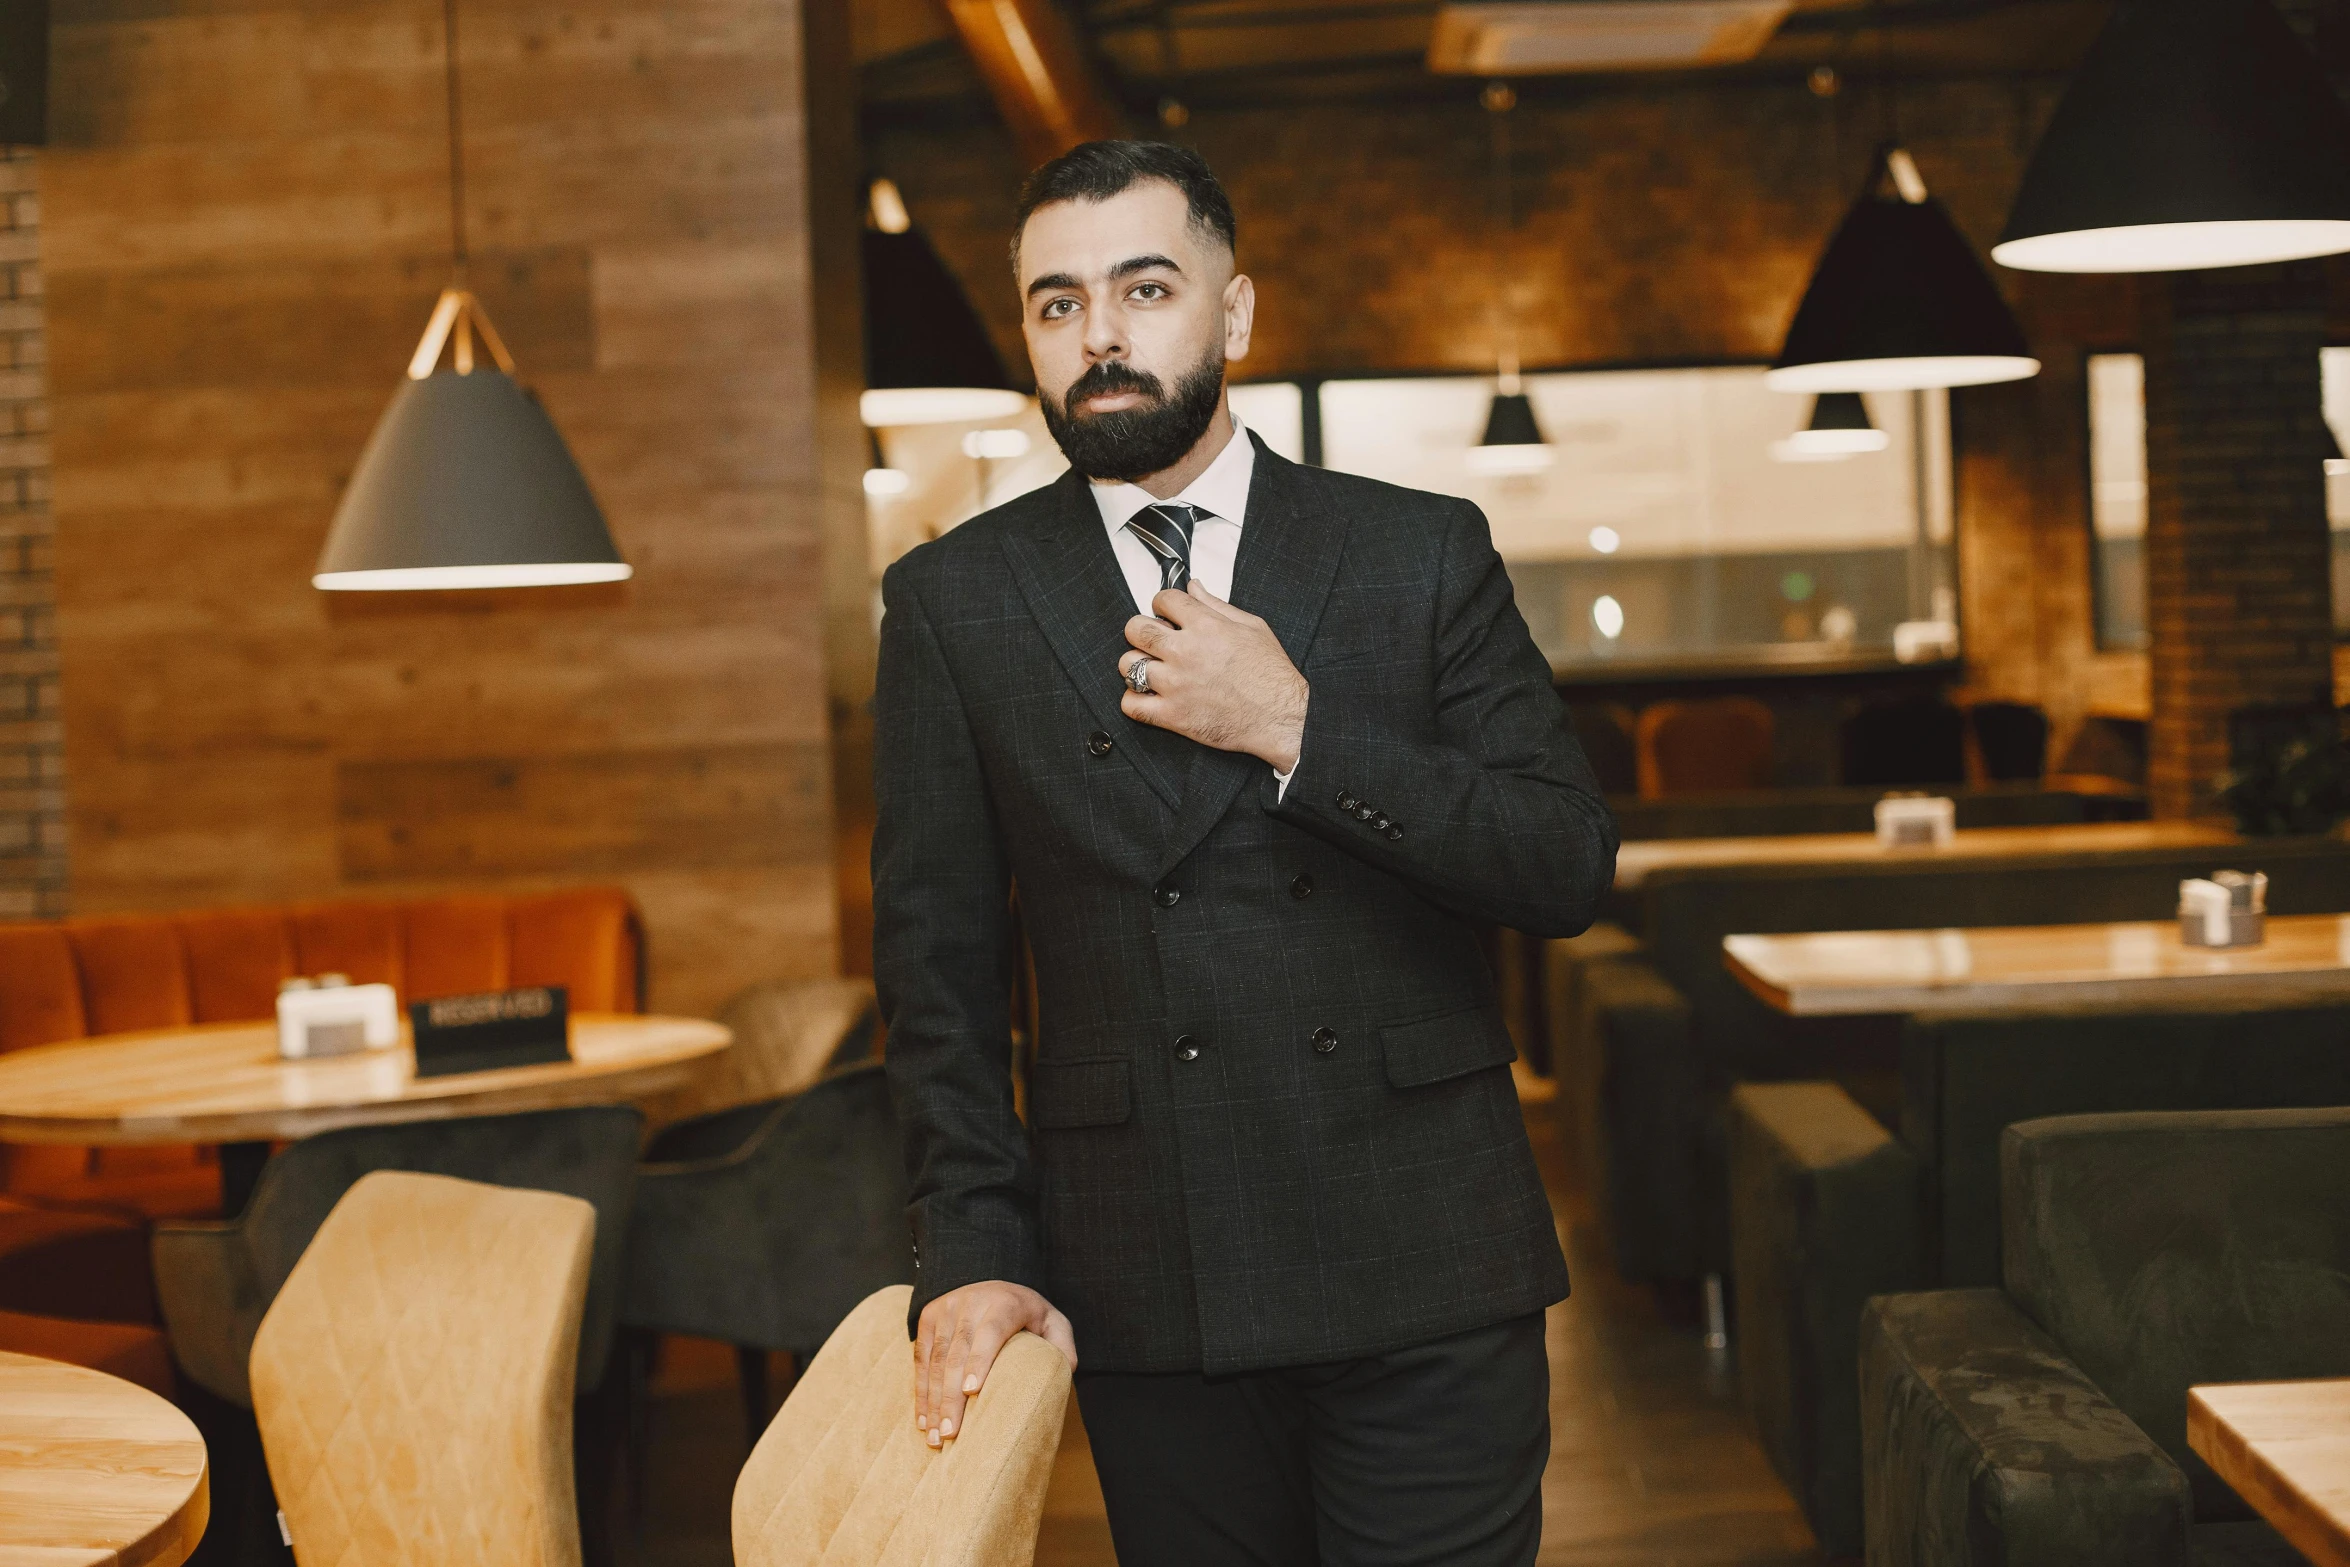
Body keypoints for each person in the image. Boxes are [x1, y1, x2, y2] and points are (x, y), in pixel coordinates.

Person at [872, 139, 1618, 1566]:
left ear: (1234, 314)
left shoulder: (1416, 550)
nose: (1099, 334)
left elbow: (1562, 860)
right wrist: (967, 1247)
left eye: (1144, 288)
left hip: (1422, 1239)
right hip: (1149, 1260)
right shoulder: (955, 601)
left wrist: (1296, 729)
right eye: (1055, 303)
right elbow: (938, 973)